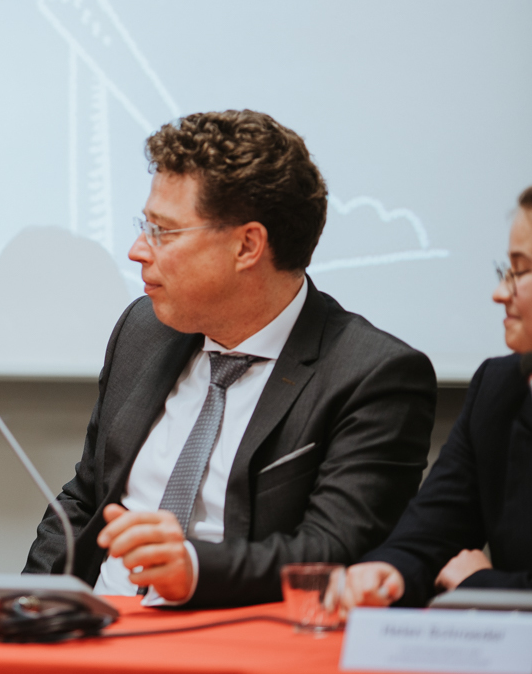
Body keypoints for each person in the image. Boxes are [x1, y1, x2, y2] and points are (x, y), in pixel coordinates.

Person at [24, 110, 438, 608]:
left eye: (163, 231)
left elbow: (334, 550)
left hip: (235, 639)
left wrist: (194, 567)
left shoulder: (373, 375)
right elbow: (84, 500)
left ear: (247, 246)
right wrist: (26, 609)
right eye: (144, 225)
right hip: (94, 631)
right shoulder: (143, 330)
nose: (137, 250)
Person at [344, 187, 532, 609]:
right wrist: (386, 572)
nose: (499, 294)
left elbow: (473, 577)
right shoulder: (499, 388)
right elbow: (431, 532)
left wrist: (482, 586)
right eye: (506, 270)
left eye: (519, 272)